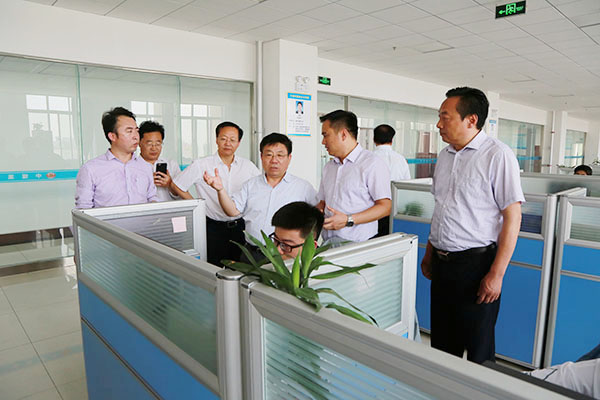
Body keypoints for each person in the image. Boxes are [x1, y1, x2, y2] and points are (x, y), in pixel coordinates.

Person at [420, 87, 524, 364]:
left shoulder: (497, 155)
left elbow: (513, 217)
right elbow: (441, 208)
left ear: (471, 120)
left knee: (478, 348)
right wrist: (430, 253)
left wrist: (497, 274)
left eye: (445, 117)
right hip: (443, 265)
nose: (439, 124)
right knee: (442, 343)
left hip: (476, 266)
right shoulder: (444, 156)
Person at [203, 133, 318, 261]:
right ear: (261, 157)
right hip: (252, 254)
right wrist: (220, 189)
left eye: (280, 155)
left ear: (289, 158)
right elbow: (232, 211)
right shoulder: (250, 185)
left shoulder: (303, 187)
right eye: (269, 155)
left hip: (285, 256)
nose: (274, 160)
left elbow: (316, 217)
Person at [171, 121, 260, 266]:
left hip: (240, 227)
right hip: (212, 227)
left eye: (232, 140)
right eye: (223, 138)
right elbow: (177, 185)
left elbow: (258, 190)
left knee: (241, 268)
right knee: (214, 268)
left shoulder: (248, 166)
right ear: (216, 140)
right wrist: (198, 205)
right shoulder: (202, 164)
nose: (228, 143)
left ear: (239, 143)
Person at [317, 110, 392, 245]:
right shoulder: (329, 167)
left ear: (343, 134)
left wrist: (348, 220)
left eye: (325, 135)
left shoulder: (371, 164)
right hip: (328, 243)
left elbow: (385, 207)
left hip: (358, 244)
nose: (323, 142)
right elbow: (322, 203)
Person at [75, 107, 157, 208]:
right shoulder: (90, 169)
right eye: (129, 131)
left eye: (136, 131)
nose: (136, 136)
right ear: (112, 136)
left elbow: (152, 198)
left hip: (142, 224)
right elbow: (83, 210)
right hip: (105, 224)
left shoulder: (145, 167)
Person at [372, 123, 411, 237]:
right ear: (392, 140)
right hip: (395, 211)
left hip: (373, 212)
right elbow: (406, 186)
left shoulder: (368, 158)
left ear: (374, 139)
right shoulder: (400, 159)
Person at [138, 120, 181, 202]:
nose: (154, 148)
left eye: (158, 144)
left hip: (170, 212)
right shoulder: (133, 166)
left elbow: (180, 195)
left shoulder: (171, 165)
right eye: (149, 144)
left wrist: (170, 184)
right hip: (145, 213)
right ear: (139, 143)